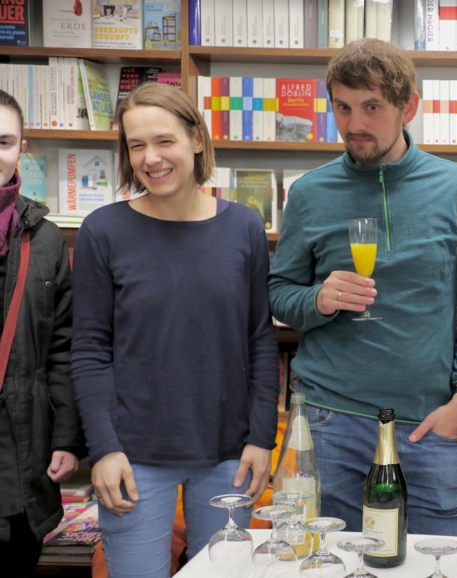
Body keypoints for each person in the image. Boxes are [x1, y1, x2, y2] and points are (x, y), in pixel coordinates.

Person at [267, 38, 457, 537]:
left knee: (444, 564)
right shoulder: (308, 193)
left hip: (428, 423)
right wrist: (317, 299)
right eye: (343, 107)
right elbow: (280, 291)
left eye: (371, 107)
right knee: (330, 563)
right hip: (329, 422)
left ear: (407, 106)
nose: (354, 124)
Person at [71, 83, 280, 577]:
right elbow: (90, 351)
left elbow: (259, 340)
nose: (151, 158)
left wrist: (261, 438)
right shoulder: (102, 231)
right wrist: (103, 449)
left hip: (229, 454)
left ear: (197, 140)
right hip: (133, 457)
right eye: (136, 145)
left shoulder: (245, 227)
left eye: (164, 141)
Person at [0, 91, 83, 577]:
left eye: (4, 142)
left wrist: (67, 438)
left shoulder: (46, 237)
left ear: (21, 149)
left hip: (21, 463)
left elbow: (63, 347)